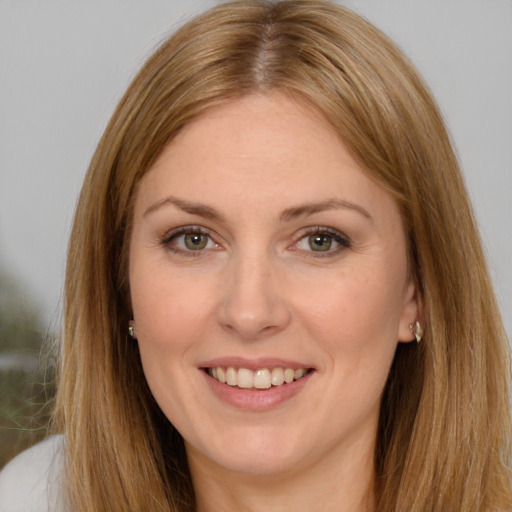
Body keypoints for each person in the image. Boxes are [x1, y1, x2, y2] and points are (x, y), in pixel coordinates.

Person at [0, 1, 510, 510]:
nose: (248, 312)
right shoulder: (31, 498)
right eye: (193, 239)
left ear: (415, 291)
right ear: (122, 282)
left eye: (320, 240)